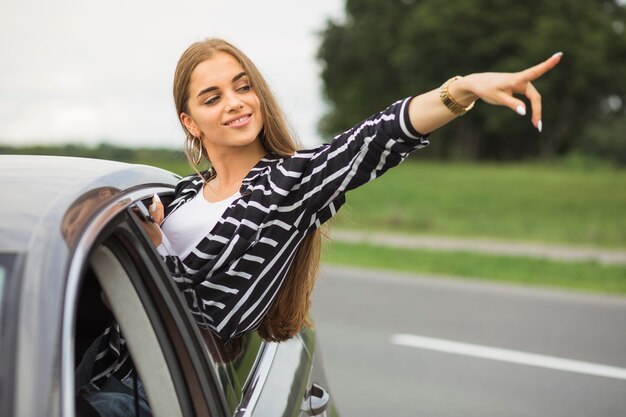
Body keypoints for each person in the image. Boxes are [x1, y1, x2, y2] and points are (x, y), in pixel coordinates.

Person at [79, 37, 562, 416]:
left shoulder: (289, 185)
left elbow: (374, 139)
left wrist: (459, 90)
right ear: (191, 123)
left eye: (243, 86)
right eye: (213, 96)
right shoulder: (178, 194)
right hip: (93, 369)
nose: (236, 102)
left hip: (151, 397)